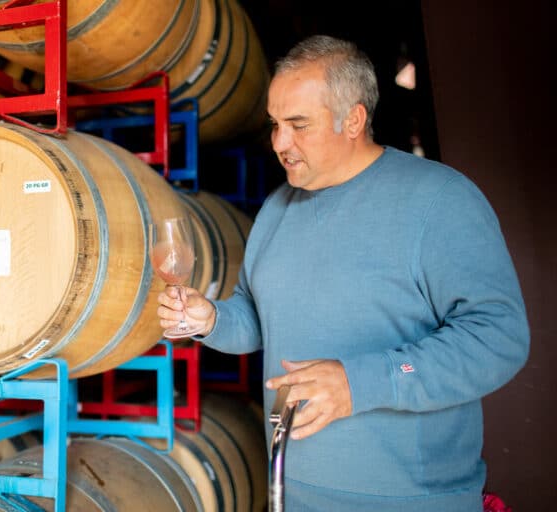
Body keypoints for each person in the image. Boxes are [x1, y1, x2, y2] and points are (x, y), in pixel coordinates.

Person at [156, 34, 529, 511]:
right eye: (274, 124)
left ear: (353, 119)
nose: (279, 143)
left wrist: (362, 382)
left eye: (298, 125)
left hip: (411, 500)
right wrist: (211, 320)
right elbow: (256, 320)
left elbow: (498, 337)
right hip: (292, 493)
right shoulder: (276, 209)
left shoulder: (439, 199)